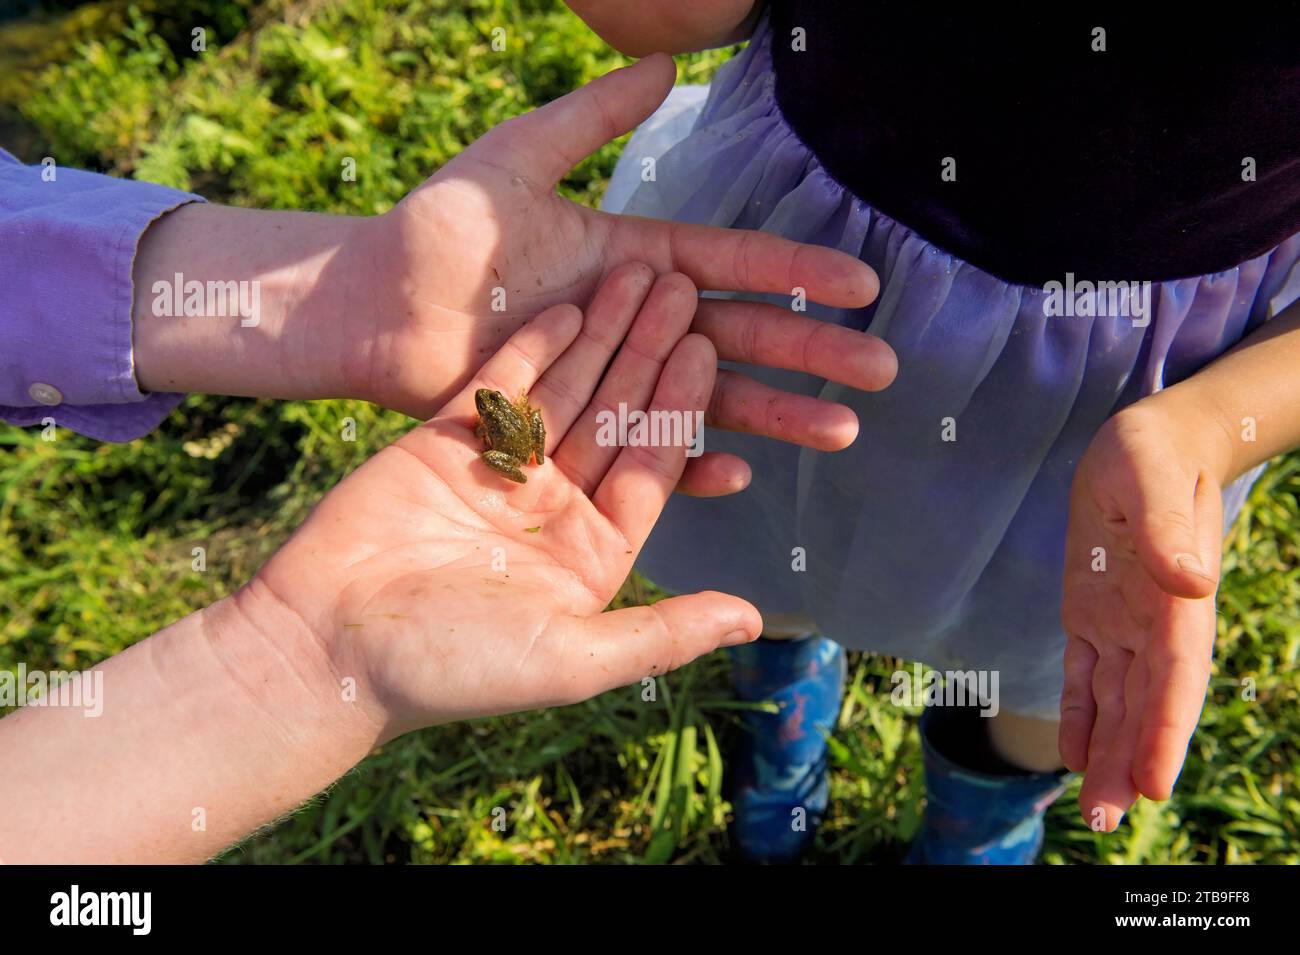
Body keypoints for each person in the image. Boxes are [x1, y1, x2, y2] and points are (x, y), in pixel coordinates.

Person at [0, 55, 898, 862]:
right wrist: (298, 662)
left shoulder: (502, 421)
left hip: (516, 446)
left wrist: (344, 295)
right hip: (508, 455)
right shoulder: (496, 427)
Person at [571, 1, 1300, 862]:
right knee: (760, 526)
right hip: (806, 247)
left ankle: (976, 825)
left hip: (1133, 384)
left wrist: (1210, 423)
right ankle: (783, 699)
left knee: (1037, 657)